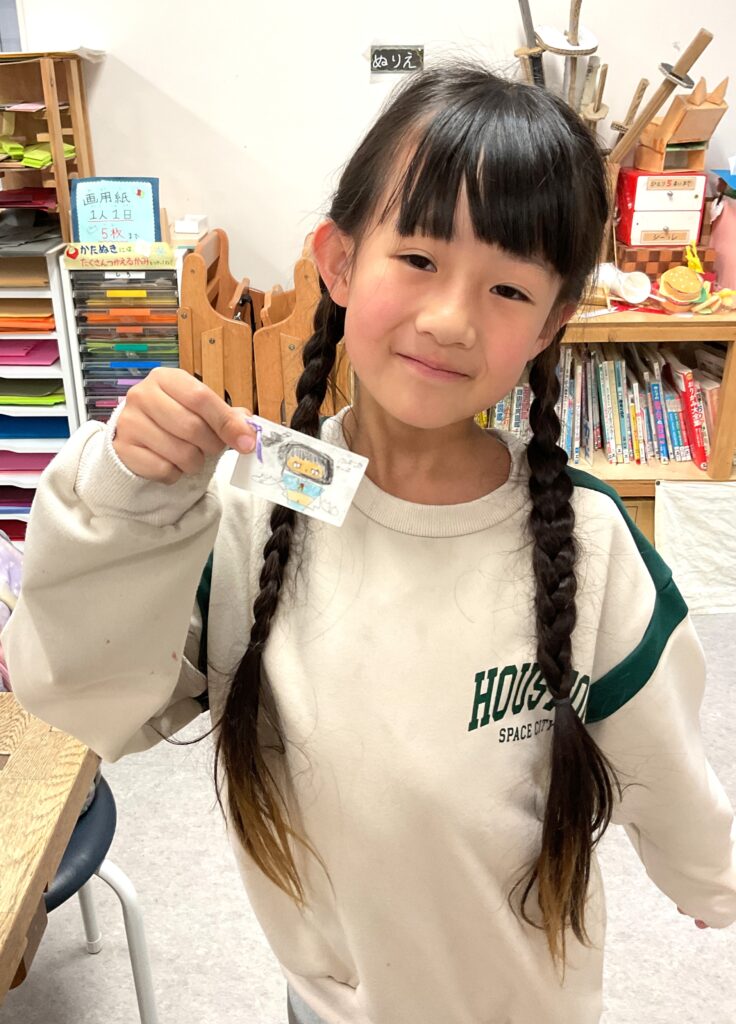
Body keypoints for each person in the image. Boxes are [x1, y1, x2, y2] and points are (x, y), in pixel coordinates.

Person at [5, 62, 735, 1024]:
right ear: (340, 262)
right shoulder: (241, 511)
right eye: (420, 259)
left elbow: (665, 758)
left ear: (553, 323)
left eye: (508, 288)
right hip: (327, 1005)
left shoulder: (590, 541)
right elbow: (80, 698)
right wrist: (122, 501)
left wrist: (710, 878)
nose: (451, 320)